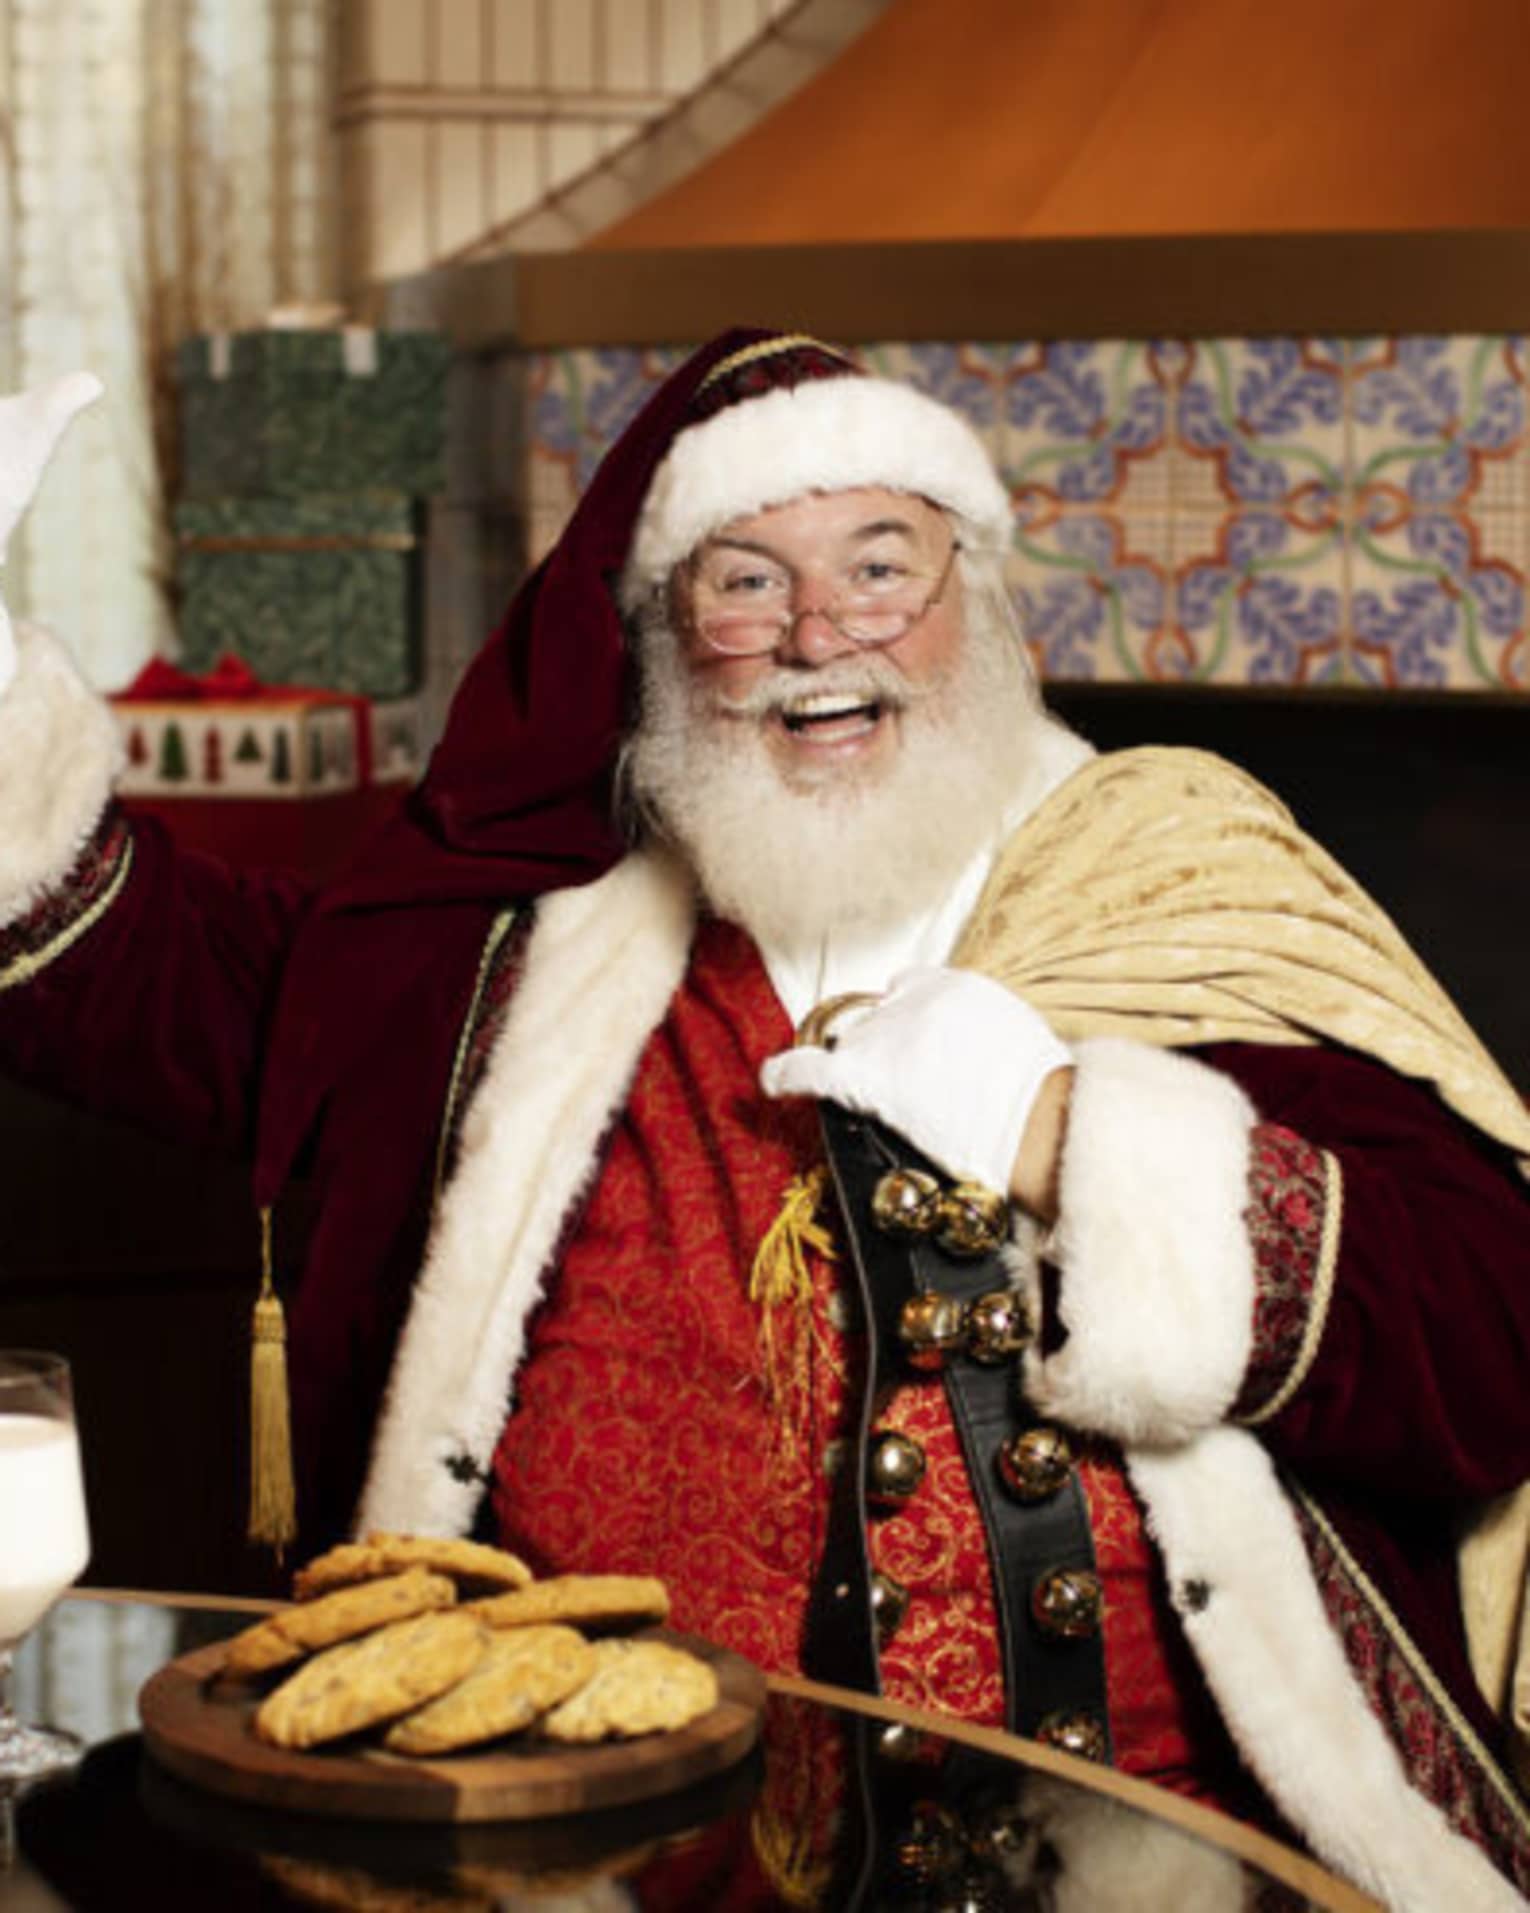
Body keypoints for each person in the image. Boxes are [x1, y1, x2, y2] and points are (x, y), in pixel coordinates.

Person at [1, 329, 1528, 1908]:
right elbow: (151, 978)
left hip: (1147, 1859)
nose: (816, 634)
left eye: (879, 566)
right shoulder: (533, 953)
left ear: (971, 593)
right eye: (743, 582)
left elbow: (1491, 1335)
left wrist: (1068, 1131)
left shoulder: (1169, 875)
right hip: (595, 1850)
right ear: (664, 635)